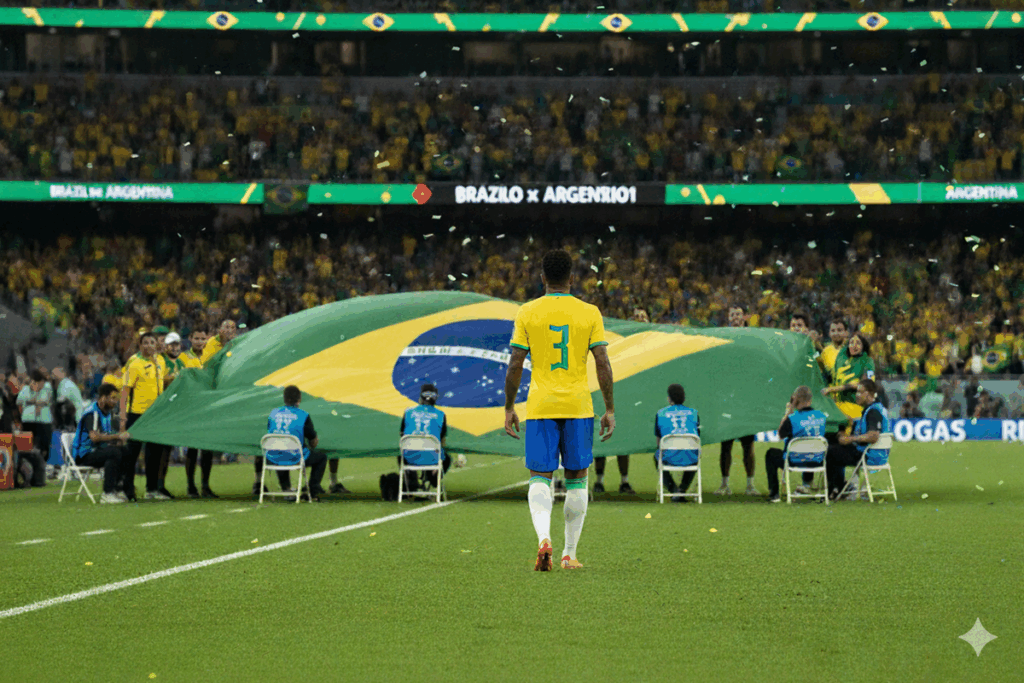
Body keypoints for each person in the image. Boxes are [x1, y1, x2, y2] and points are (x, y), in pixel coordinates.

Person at [503, 248, 615, 571]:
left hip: (540, 405)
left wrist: (509, 406)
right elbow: (602, 362)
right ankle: (569, 554)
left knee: (540, 475)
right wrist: (609, 408)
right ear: (571, 278)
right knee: (578, 477)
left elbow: (515, 364)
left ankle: (543, 539)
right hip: (579, 405)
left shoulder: (527, 312)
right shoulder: (590, 312)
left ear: (542, 278)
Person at [716, 305, 759, 496]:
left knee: (748, 445)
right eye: (732, 314)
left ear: (745, 317)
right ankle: (724, 484)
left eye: (738, 314)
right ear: (728, 317)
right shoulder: (722, 337)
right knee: (725, 444)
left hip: (746, 399)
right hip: (728, 399)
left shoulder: (753, 338)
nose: (735, 317)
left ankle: (750, 484)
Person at [119, 331, 168, 501]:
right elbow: (125, 392)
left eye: (151, 342)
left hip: (155, 416)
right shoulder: (134, 364)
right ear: (140, 345)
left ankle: (151, 489)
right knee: (131, 454)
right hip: (137, 415)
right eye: (145, 342)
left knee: (154, 454)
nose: (148, 345)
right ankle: (127, 490)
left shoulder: (160, 361)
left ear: (156, 345)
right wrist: (123, 418)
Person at [826, 379, 890, 500]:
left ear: (869, 393)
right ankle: (841, 488)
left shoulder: (873, 411)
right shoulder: (874, 408)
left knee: (830, 452)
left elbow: (873, 436)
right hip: (876, 453)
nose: (857, 395)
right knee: (836, 449)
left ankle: (839, 489)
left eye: (860, 392)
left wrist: (850, 439)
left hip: (869, 455)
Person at [763, 386, 828, 503]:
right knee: (811, 449)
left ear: (795, 400)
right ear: (810, 399)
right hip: (816, 460)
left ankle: (774, 494)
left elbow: (780, 434)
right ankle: (806, 486)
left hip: (794, 460)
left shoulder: (793, 418)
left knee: (770, 454)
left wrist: (789, 411)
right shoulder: (822, 417)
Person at [265, 385, 327, 501]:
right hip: (296, 456)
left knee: (280, 450)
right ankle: (312, 492)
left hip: (272, 457)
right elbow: (313, 442)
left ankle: (286, 489)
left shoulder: (273, 414)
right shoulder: (303, 415)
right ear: (299, 399)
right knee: (321, 458)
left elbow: (270, 432)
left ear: (284, 399)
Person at [71, 383, 130, 504]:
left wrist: (118, 438)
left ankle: (117, 489)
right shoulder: (92, 413)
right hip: (84, 455)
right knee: (114, 453)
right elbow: (94, 437)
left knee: (124, 451)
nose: (115, 402)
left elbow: (106, 435)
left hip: (96, 452)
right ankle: (107, 493)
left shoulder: (108, 413)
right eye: (113, 398)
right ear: (103, 398)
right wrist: (117, 436)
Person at [178, 328, 217, 498]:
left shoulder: (212, 356)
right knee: (192, 448)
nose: (200, 341)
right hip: (192, 407)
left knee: (207, 449)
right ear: (190, 339)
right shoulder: (183, 358)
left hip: (207, 407)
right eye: (196, 338)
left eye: (203, 338)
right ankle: (191, 486)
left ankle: (205, 485)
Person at [399, 382, 450, 493]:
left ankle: (412, 485)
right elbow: (442, 440)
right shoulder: (441, 415)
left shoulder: (408, 412)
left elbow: (402, 434)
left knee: (401, 457)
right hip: (432, 458)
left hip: (410, 456)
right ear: (435, 399)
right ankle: (433, 480)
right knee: (446, 458)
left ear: (420, 398)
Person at [653, 383, 700, 500]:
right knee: (695, 456)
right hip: (690, 456)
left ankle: (674, 490)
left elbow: (659, 442)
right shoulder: (694, 413)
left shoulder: (660, 413)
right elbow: (697, 437)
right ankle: (682, 490)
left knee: (656, 456)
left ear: (669, 398)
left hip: (669, 455)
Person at [822, 332, 875, 421]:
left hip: (856, 407)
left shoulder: (868, 361)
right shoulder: (842, 358)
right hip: (838, 405)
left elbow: (866, 384)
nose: (854, 346)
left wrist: (833, 389)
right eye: (851, 343)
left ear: (863, 346)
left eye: (858, 343)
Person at [14, 369, 50, 487]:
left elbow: (45, 400)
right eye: (36, 383)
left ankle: (40, 475)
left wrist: (32, 401)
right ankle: (29, 477)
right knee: (27, 449)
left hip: (43, 422)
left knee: (43, 448)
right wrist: (35, 402)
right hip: (28, 421)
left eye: (40, 383)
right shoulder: (25, 389)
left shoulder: (47, 388)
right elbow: (19, 401)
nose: (38, 385)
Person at [53, 366, 86, 431]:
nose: (53, 376)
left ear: (63, 373)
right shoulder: (63, 383)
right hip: (74, 415)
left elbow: (61, 399)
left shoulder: (66, 384)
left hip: (75, 417)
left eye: (55, 373)